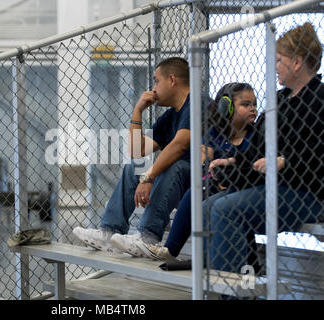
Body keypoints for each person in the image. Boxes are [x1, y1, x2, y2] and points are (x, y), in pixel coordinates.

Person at [202, 22, 323, 274]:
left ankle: (232, 290)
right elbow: (256, 147)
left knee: (226, 209)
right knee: (207, 206)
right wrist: (233, 160)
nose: (274, 66)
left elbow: (316, 154)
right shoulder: (280, 100)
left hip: (307, 192)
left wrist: (285, 161)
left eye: (280, 60)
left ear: (297, 63)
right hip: (273, 186)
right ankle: (228, 279)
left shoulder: (319, 98)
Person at [73, 57, 194, 256]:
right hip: (176, 180)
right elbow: (137, 151)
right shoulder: (171, 115)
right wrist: (138, 110)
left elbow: (179, 147)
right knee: (133, 167)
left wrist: (149, 177)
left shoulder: (197, 103)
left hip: (198, 180)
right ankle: (110, 231)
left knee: (174, 165)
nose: (153, 89)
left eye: (156, 81)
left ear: (172, 80)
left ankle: (148, 236)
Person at [136, 82, 258, 263]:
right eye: (245, 105)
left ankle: (249, 262)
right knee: (197, 191)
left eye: (254, 104)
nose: (253, 109)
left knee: (226, 205)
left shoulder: (256, 135)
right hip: (216, 185)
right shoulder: (213, 134)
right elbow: (204, 163)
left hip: (245, 187)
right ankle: (170, 250)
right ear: (227, 108)